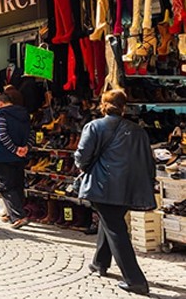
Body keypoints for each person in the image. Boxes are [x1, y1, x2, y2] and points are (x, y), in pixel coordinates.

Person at [74, 89, 155, 295]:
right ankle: (99, 263)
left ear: (102, 105)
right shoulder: (138, 130)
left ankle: (135, 279)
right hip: (129, 187)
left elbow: (82, 156)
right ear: (124, 107)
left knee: (115, 228)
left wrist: (81, 166)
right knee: (110, 221)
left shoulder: (94, 126)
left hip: (103, 186)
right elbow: (148, 160)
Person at [0, 93, 33, 229]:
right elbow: (31, 133)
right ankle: (12, 213)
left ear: (0, 103)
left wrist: (14, 149)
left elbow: (1, 134)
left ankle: (18, 216)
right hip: (20, 155)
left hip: (3, 155)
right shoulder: (24, 115)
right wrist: (25, 148)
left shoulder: (1, 115)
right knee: (18, 184)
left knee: (6, 186)